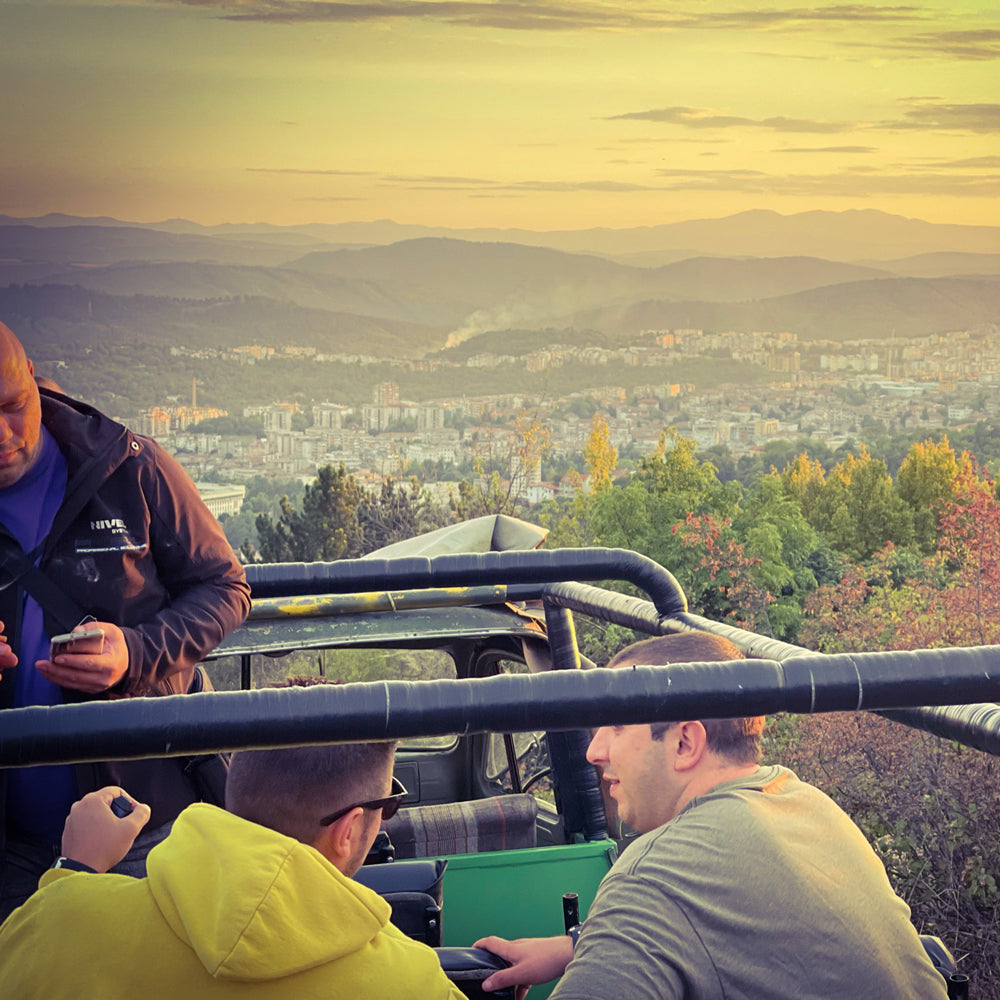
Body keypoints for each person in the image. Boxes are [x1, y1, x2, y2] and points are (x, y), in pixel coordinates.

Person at [475, 632, 950, 999]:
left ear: (685, 743)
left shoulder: (653, 875)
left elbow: (680, 895)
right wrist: (582, 945)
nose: (594, 750)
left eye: (616, 725)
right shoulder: (808, 803)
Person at [0, 322, 251, 919]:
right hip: (10, 845)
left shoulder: (128, 468)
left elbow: (226, 586)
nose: (1, 435)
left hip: (140, 822)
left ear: (36, 382)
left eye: (12, 406)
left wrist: (135, 653)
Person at [0, 743, 467, 999]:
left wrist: (72, 872)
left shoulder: (58, 923)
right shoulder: (413, 982)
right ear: (347, 830)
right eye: (389, 804)